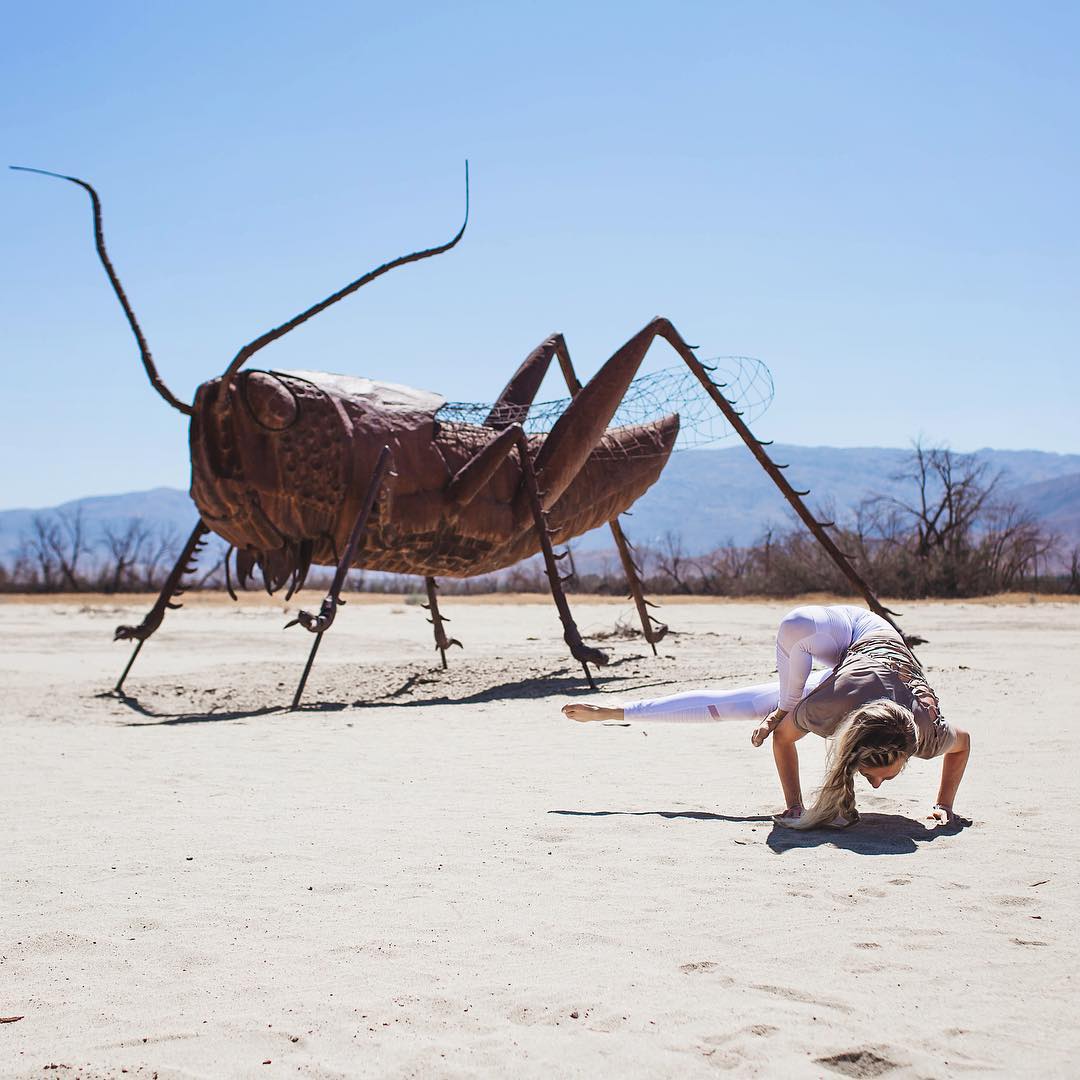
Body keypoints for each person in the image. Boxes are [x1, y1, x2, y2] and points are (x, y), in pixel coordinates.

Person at [562, 604, 971, 829]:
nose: (878, 784)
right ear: (849, 741)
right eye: (874, 772)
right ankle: (617, 710)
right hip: (850, 631)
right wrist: (793, 804)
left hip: (870, 661)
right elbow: (783, 739)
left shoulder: (925, 732)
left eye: (883, 774)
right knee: (765, 697)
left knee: (779, 709)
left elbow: (963, 743)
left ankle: (617, 710)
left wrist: (945, 806)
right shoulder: (828, 710)